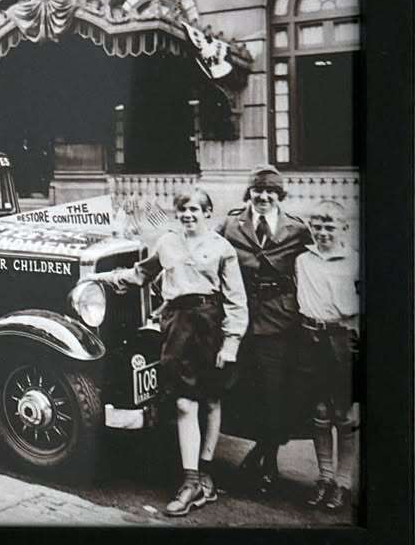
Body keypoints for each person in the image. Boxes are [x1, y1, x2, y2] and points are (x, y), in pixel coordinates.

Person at [95, 188, 248, 516]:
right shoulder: (167, 243)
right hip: (177, 326)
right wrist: (102, 278)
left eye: (195, 209)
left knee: (211, 399)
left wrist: (231, 342)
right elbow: (140, 274)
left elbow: (237, 300)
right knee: (183, 401)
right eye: (182, 210)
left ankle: (206, 471)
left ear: (208, 213)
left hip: (210, 323)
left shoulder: (222, 248)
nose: (188, 215)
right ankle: (191, 480)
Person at [218, 164, 312, 494]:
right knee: (240, 391)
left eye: (271, 191)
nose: (263, 196)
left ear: (280, 195)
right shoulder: (231, 224)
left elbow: (318, 261)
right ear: (250, 192)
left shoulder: (297, 230)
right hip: (240, 318)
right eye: (258, 190)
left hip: (279, 322)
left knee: (274, 394)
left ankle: (267, 460)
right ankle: (243, 455)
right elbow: (209, 254)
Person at [294, 201, 360, 512]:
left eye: (329, 227)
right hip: (310, 338)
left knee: (344, 416)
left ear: (343, 229)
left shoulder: (355, 261)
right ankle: (325, 478)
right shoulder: (303, 260)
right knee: (319, 412)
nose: (322, 233)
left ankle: (344, 484)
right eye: (317, 227)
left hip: (341, 338)